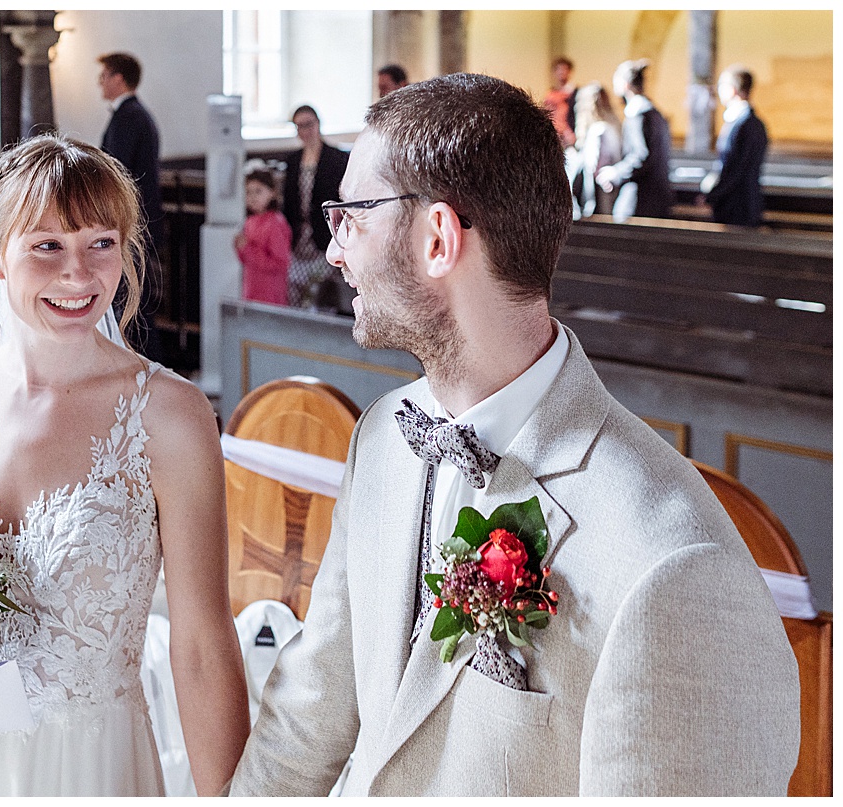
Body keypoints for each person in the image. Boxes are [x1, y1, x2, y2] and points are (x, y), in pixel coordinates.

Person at [228, 73, 800, 796]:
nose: (336, 250)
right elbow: (306, 720)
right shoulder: (381, 437)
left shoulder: (673, 568)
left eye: (354, 216)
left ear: (438, 238)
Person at [0, 134, 251, 795]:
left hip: (91, 766)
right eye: (48, 246)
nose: (79, 274)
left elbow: (200, 646)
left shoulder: (170, 415)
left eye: (100, 243)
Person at [98, 52, 165, 363]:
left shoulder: (129, 117)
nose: (99, 82)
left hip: (132, 223)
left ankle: (143, 369)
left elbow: (116, 173)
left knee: (131, 304)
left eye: (104, 75)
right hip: (138, 222)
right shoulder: (137, 114)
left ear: (119, 79)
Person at [282, 105, 349, 312]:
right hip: (299, 235)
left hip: (325, 234)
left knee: (321, 294)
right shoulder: (293, 160)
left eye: (309, 124)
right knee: (295, 292)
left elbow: (342, 199)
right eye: (299, 126)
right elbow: (289, 201)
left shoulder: (336, 158)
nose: (305, 130)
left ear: (318, 124)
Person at [597, 59, 674, 221]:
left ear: (625, 84)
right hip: (657, 197)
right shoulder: (653, 112)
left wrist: (615, 172)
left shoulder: (638, 114)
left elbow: (641, 156)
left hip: (641, 199)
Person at [702, 65, 769, 227]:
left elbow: (735, 169)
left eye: (721, 86)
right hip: (738, 204)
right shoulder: (747, 122)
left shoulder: (745, 124)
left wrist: (713, 196)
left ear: (732, 90)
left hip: (738, 206)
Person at [234, 166, 291, 306]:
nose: (252, 197)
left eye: (258, 191)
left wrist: (247, 248)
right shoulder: (249, 222)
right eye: (248, 192)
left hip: (270, 293)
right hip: (252, 288)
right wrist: (240, 247)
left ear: (272, 192)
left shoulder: (275, 223)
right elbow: (246, 260)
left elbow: (280, 262)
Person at [571, 82, 622, 217]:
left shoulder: (598, 131)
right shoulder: (614, 125)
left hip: (598, 198)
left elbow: (594, 166)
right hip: (613, 193)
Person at [542, 57, 577, 148]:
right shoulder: (551, 94)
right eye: (558, 69)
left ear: (570, 71)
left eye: (565, 69)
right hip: (555, 134)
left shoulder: (575, 93)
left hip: (571, 135)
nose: (562, 72)